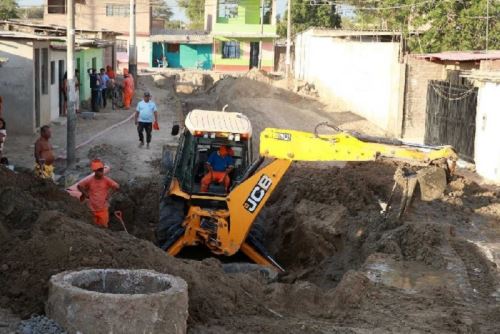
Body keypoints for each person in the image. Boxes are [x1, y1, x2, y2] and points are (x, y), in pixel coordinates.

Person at [78, 159, 120, 228]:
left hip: (103, 209)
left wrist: (109, 195)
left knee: (103, 226)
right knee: (93, 227)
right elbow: (79, 186)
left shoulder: (106, 180)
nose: (101, 172)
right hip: (92, 209)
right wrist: (85, 194)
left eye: (102, 170)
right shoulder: (90, 180)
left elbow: (117, 187)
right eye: (99, 170)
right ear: (94, 171)